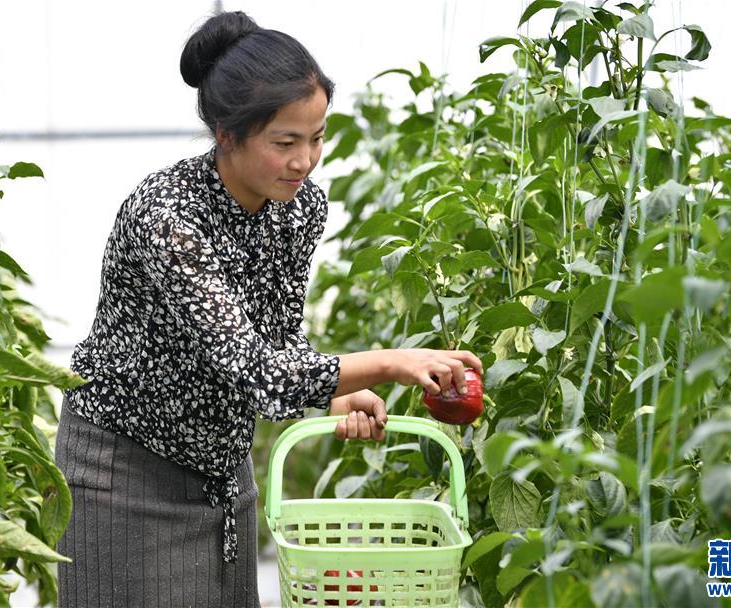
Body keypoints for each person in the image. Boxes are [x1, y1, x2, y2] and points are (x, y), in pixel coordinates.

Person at [54, 9, 482, 608]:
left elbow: (275, 343)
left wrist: (333, 393)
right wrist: (391, 362)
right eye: (285, 142)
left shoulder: (297, 208)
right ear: (227, 134)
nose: (306, 160)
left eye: (317, 137)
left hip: (222, 476)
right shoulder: (167, 216)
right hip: (125, 473)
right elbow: (254, 368)